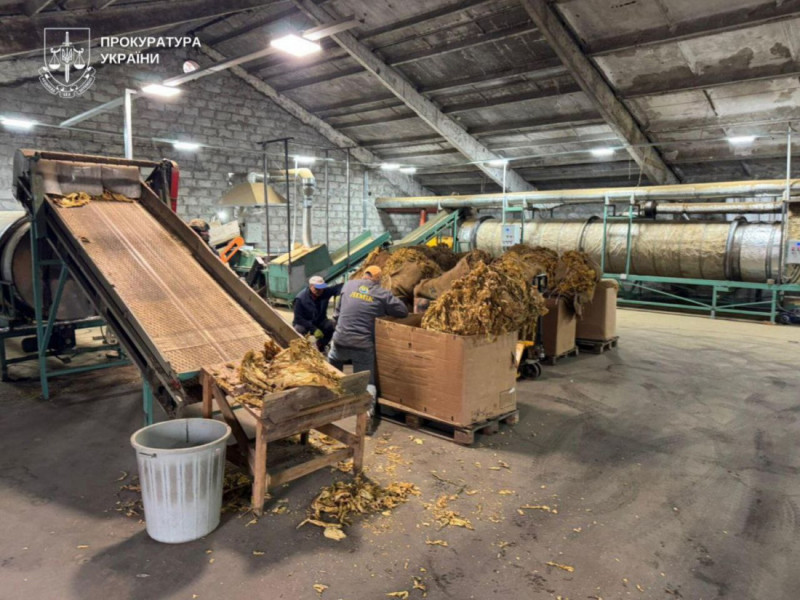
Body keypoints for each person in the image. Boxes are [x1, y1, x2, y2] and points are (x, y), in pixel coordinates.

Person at [328, 265, 409, 434]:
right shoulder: (382, 293)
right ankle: (366, 413)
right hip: (362, 345)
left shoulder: (348, 285)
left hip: (340, 340)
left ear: (364, 275)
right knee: (368, 382)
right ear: (378, 279)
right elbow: (403, 311)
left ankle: (327, 403)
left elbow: (336, 315)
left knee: (331, 371)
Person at [293, 275, 343, 352]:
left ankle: (320, 345)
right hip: (305, 323)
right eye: (317, 288)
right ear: (310, 286)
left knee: (332, 325)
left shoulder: (325, 292)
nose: (320, 291)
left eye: (321, 288)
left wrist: (338, 295)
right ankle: (300, 349)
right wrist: (314, 329)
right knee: (298, 329)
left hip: (320, 321)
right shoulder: (300, 299)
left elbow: (339, 287)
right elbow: (298, 318)